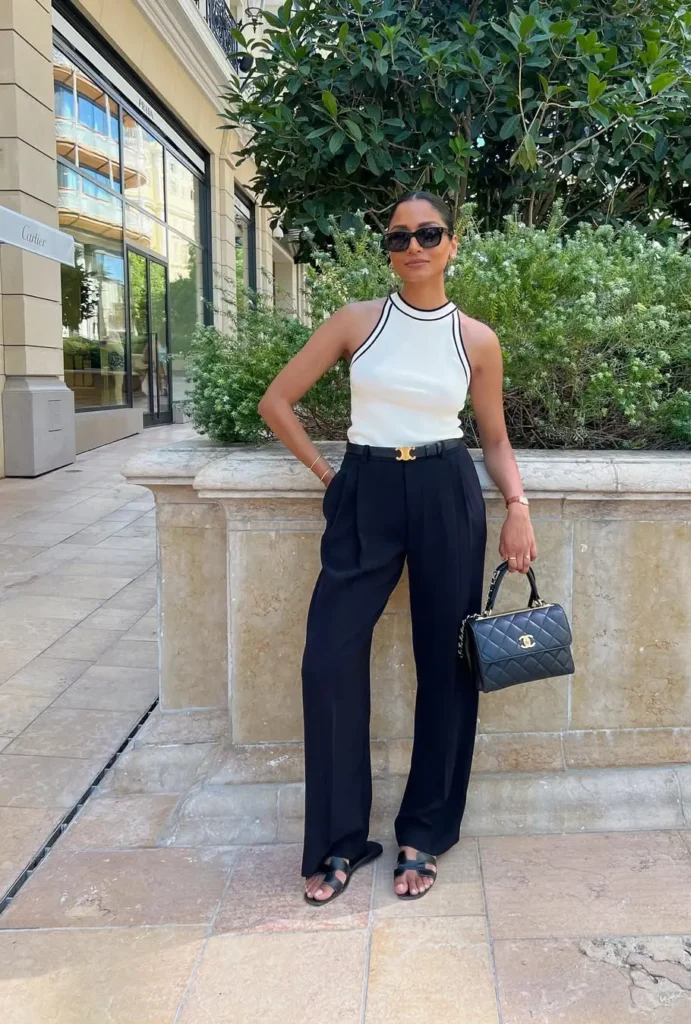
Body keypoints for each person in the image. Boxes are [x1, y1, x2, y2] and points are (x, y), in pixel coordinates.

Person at [257, 191, 537, 905]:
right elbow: (276, 402)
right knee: (329, 657)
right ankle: (338, 839)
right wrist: (330, 477)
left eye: (428, 234)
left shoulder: (475, 338)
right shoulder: (357, 322)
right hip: (367, 486)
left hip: (446, 487)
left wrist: (517, 507)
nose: (413, 246)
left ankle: (425, 831)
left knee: (447, 660)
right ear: (388, 248)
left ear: (452, 244)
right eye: (398, 237)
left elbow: (495, 437)